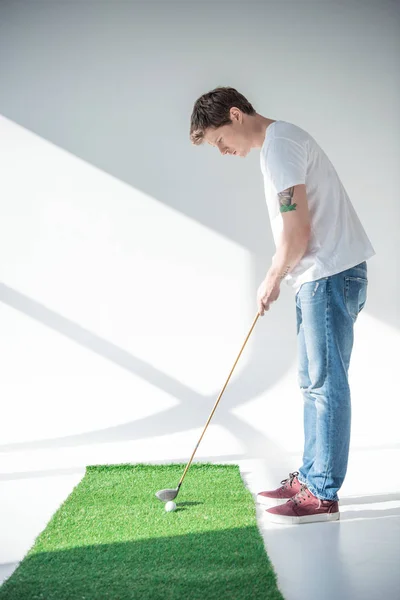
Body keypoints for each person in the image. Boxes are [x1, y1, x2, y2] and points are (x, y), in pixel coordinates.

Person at [189, 87, 375, 525]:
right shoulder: (277, 146)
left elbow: (298, 230)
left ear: (235, 115)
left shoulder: (281, 146)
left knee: (326, 385)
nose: (222, 151)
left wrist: (272, 277)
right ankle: (311, 478)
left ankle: (322, 493)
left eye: (219, 140)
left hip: (327, 275)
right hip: (320, 277)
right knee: (314, 382)